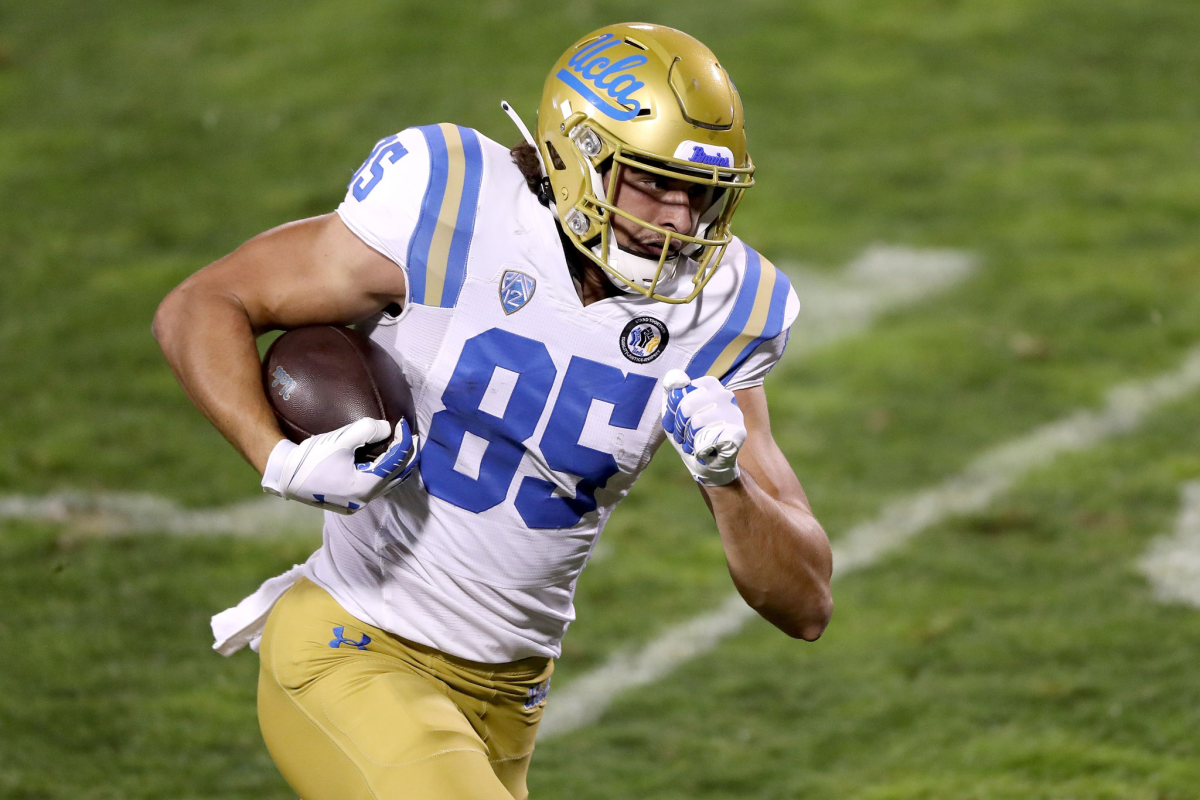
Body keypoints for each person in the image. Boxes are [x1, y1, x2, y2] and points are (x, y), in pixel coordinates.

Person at [153, 21, 832, 800]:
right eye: (652, 182)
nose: (681, 220)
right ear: (578, 156)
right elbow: (205, 302)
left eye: (702, 192)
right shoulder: (453, 203)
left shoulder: (726, 308)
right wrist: (273, 456)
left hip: (511, 702)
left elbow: (805, 603)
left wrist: (725, 481)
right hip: (356, 646)